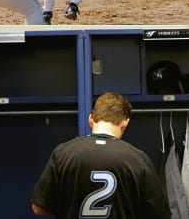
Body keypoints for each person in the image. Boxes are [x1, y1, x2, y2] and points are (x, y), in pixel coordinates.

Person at [31, 92, 170, 219]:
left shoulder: (63, 153)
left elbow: (38, 208)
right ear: (125, 123)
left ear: (91, 119)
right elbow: (158, 213)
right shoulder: (138, 159)